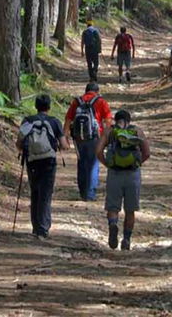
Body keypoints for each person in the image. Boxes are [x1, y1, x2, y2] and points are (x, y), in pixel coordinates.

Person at [16, 95, 69, 238]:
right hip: (48, 161)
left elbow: (19, 143)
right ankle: (43, 228)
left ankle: (35, 226)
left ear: (36, 106)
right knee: (45, 194)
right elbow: (64, 145)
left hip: (32, 160)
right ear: (49, 107)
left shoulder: (28, 121)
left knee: (35, 192)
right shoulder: (54, 122)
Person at [96, 109, 150, 251]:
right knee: (130, 210)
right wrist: (137, 163)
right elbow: (147, 153)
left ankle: (113, 224)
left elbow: (98, 151)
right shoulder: (137, 131)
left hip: (115, 173)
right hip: (133, 174)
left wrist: (108, 164)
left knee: (113, 207)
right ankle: (126, 239)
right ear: (129, 120)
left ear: (115, 120)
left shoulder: (109, 131)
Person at [64, 82, 113, 201]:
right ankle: (90, 194)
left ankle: (82, 191)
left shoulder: (77, 101)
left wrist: (65, 136)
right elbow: (108, 122)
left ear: (86, 91)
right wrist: (108, 138)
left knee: (81, 163)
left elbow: (68, 119)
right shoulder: (101, 102)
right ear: (97, 91)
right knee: (93, 164)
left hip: (78, 137)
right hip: (94, 137)